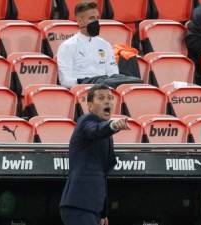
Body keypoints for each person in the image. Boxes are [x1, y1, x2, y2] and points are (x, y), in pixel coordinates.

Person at [60, 84, 130, 225]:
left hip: (92, 209)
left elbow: (102, 175)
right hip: (78, 205)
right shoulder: (86, 121)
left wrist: (102, 213)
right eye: (101, 98)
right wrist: (113, 125)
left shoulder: (106, 136)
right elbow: (95, 130)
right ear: (90, 105)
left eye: (110, 98)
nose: (107, 101)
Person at [57, 2, 142, 88]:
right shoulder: (67, 46)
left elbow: (114, 75)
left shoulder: (105, 45)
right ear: (80, 21)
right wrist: (86, 83)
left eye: (97, 18)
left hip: (106, 88)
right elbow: (65, 81)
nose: (96, 22)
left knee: (135, 83)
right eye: (91, 18)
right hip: (83, 88)